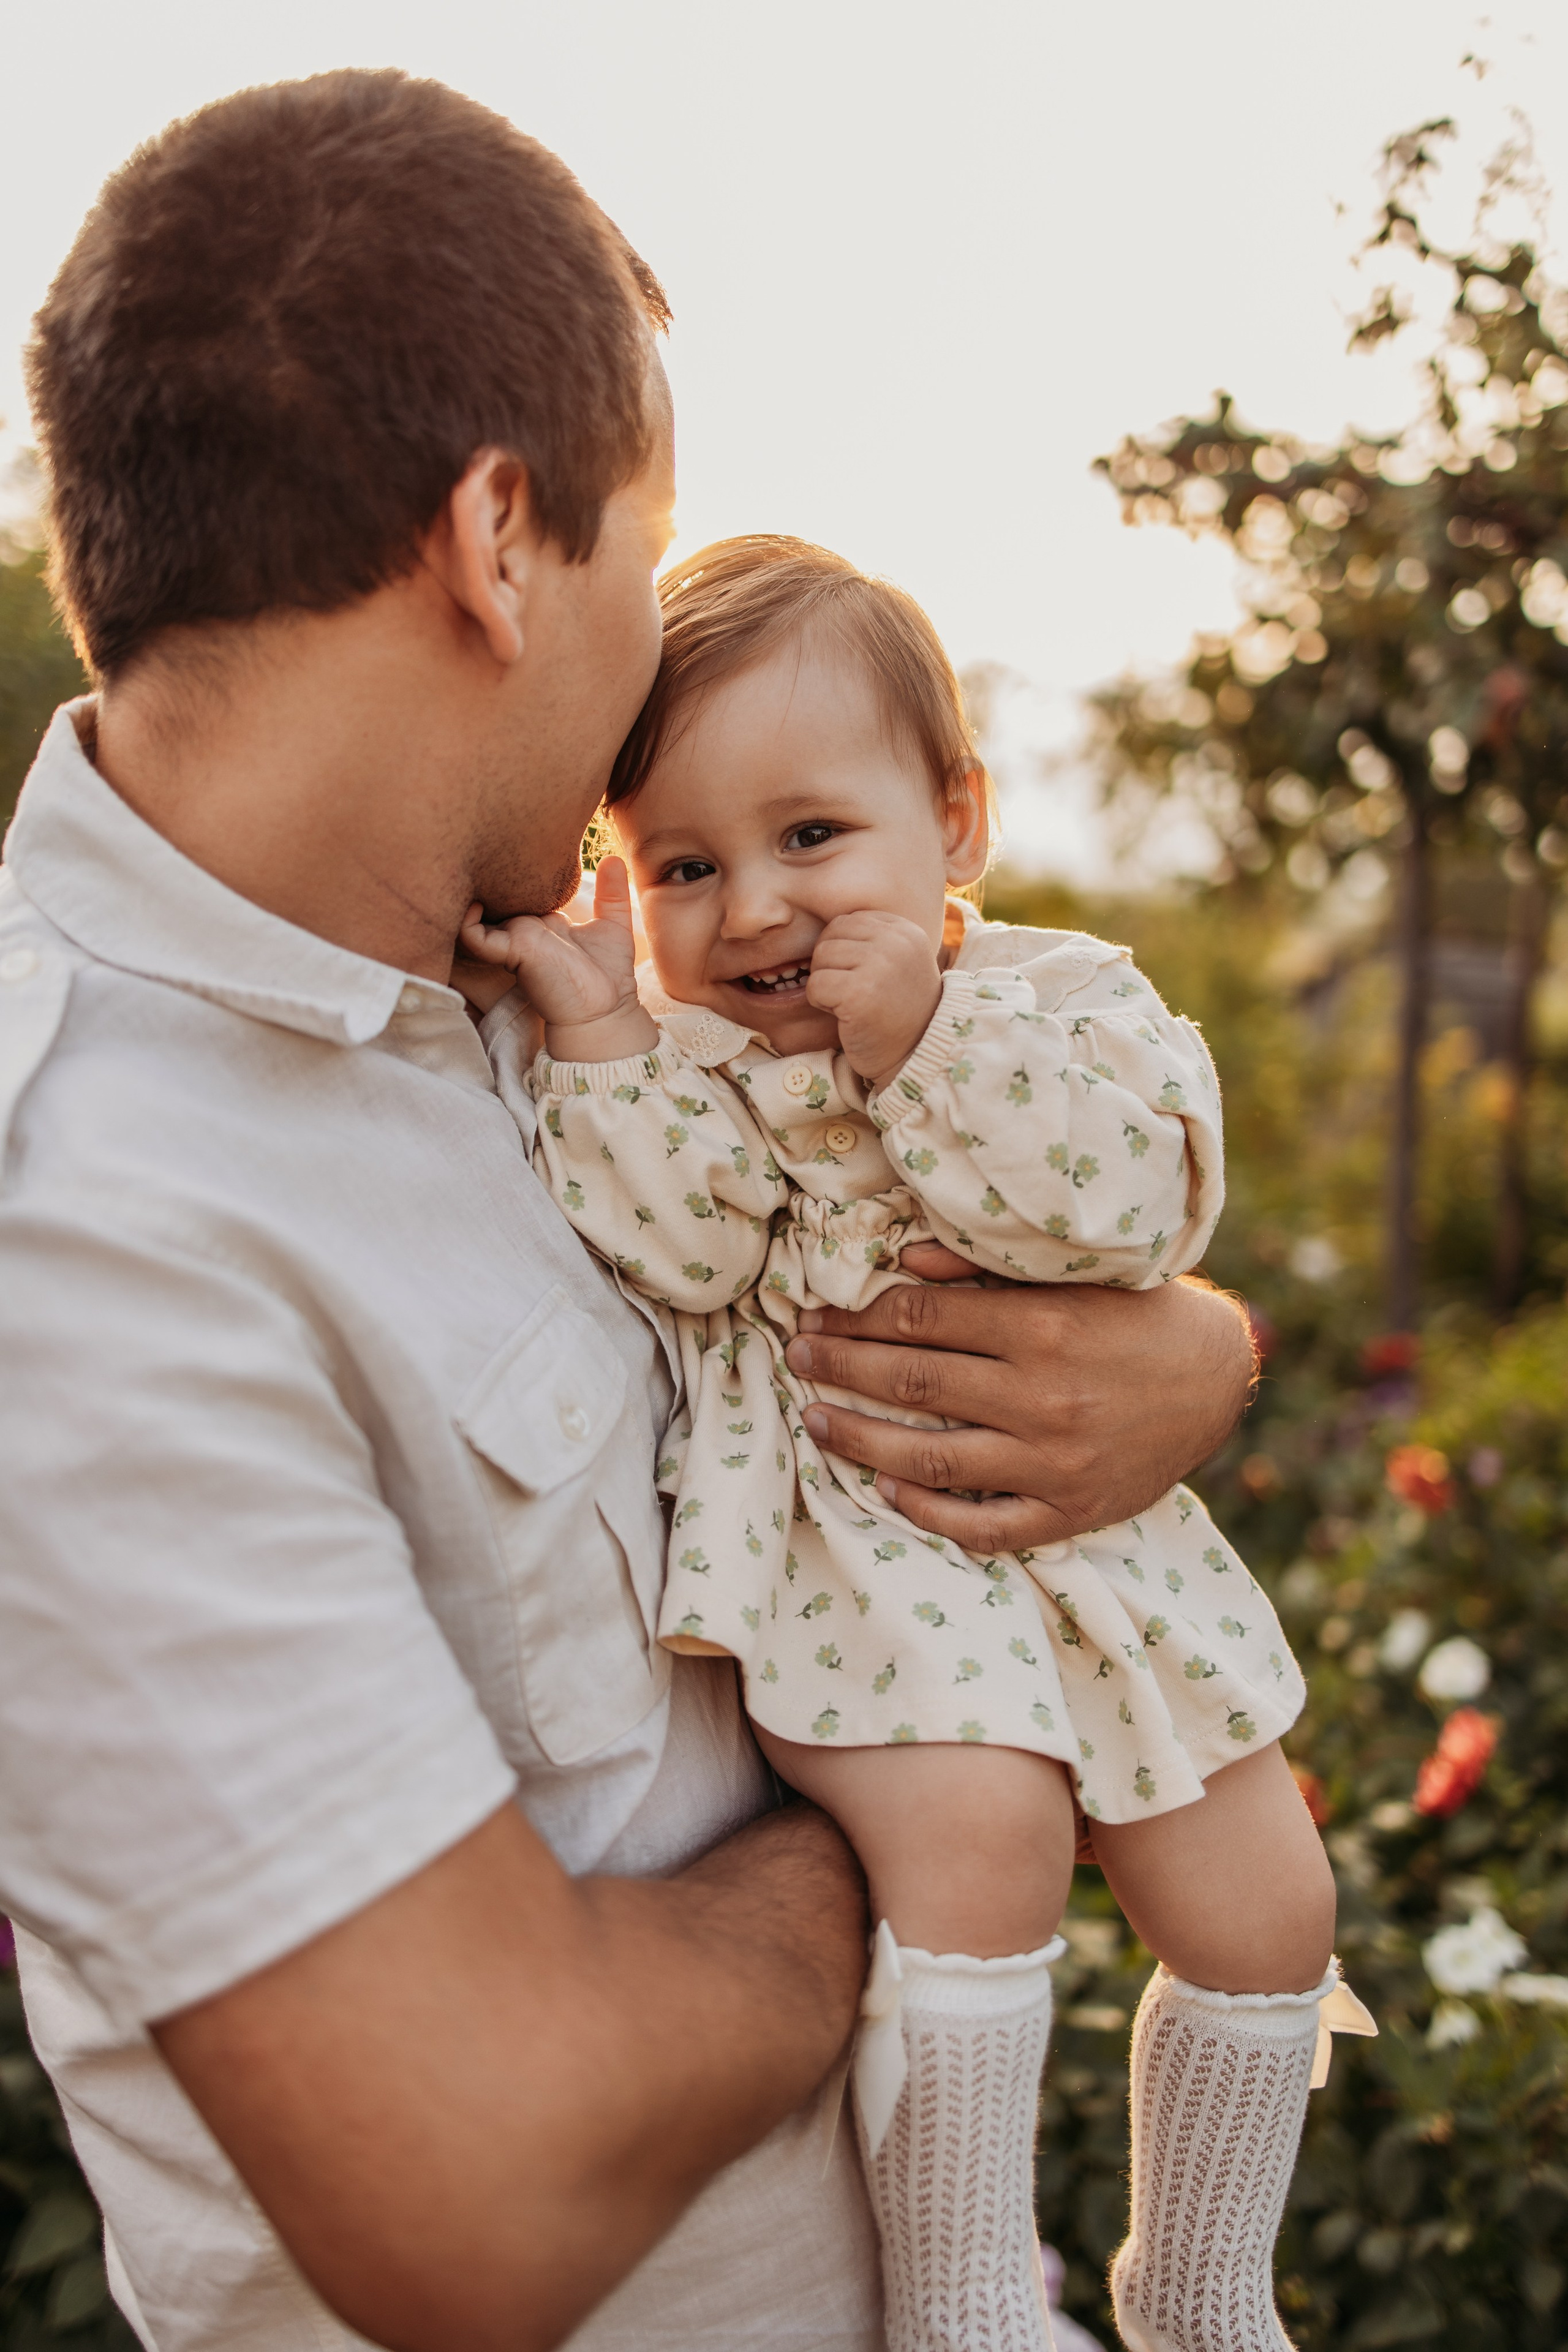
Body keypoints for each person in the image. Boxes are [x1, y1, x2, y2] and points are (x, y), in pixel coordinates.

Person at [0, 70, 1259, 2352]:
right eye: (638, 551)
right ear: (499, 541)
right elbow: (478, 2179)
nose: (640, 683)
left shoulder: (517, 972)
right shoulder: (77, 1223)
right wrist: (924, 1813)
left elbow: (852, 1221)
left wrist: (1180, 1359)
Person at [461, 536, 1349, 2352]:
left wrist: (926, 1042)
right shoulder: (699, 1065)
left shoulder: (1058, 1004)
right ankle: (965, 2306)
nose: (758, 911)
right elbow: (686, 1247)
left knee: (1271, 1898)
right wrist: (609, 1026)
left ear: (954, 823)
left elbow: (1129, 1217)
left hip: (1096, 1556)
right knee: (983, 1844)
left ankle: (1199, 2287)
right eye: (683, 870)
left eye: (812, 840)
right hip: (864, 1564)